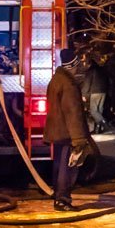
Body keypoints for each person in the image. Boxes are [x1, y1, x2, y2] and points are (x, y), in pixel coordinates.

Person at [44, 49, 91, 211]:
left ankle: (58, 195)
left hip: (57, 131)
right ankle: (62, 200)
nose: (80, 67)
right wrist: (79, 139)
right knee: (68, 167)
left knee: (59, 165)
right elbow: (73, 114)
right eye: (78, 64)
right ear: (73, 65)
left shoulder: (56, 79)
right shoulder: (69, 85)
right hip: (67, 133)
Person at [82, 55, 109, 134]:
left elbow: (87, 83)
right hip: (103, 92)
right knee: (99, 111)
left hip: (95, 92)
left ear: (88, 64)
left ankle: (105, 124)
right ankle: (98, 130)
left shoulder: (91, 71)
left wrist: (84, 94)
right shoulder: (102, 70)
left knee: (94, 111)